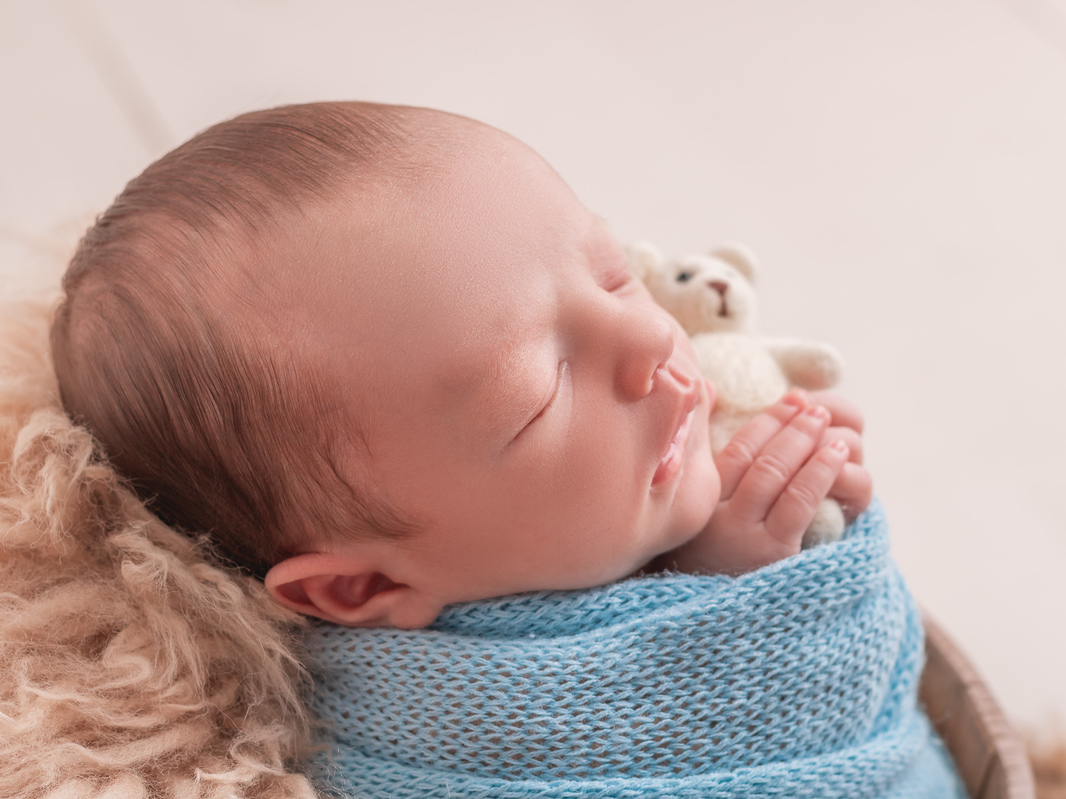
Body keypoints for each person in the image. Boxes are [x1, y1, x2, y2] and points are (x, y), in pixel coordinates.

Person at [50, 102, 872, 627]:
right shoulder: (458, 714)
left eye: (614, 273)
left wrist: (783, 518)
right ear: (362, 591)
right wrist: (723, 599)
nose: (651, 340)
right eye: (539, 391)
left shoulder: (563, 517)